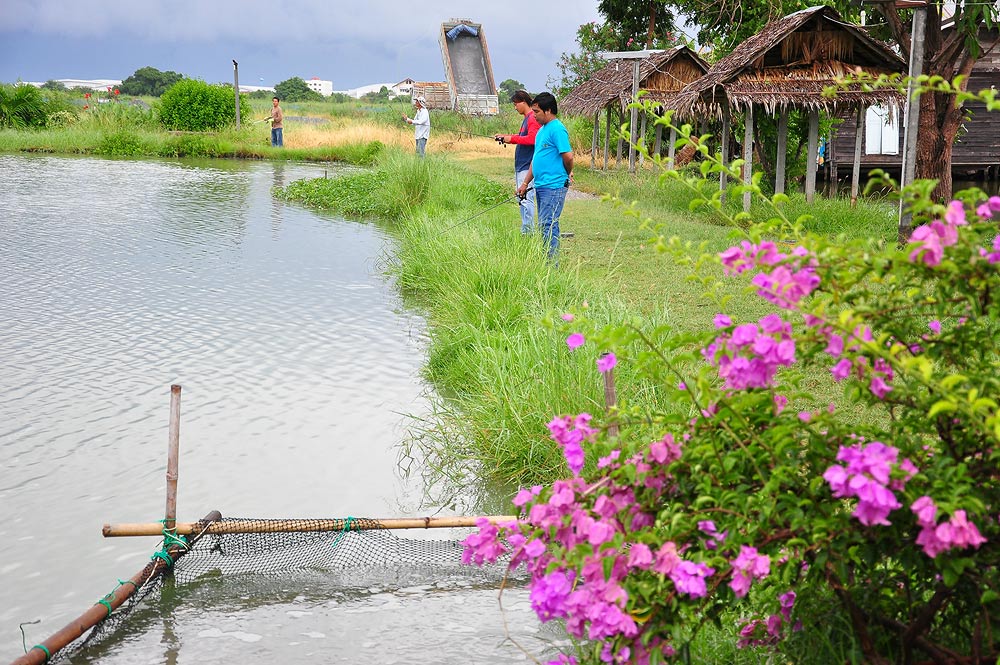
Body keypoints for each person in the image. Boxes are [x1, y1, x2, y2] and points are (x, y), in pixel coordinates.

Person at [516, 91, 573, 259]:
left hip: (554, 186)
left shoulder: (557, 129)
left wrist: (566, 174)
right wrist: (525, 183)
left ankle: (551, 264)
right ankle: (546, 259)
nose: (534, 115)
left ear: (548, 110)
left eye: (537, 112)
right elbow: (536, 158)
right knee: (543, 224)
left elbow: (568, 156)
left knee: (549, 224)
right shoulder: (542, 131)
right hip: (541, 185)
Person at [495, 90, 540, 234]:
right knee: (522, 198)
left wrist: (511, 139)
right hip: (522, 165)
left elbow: (533, 139)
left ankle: (528, 232)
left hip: (528, 165)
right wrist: (505, 137)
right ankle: (527, 229)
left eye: (516, 104)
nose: (515, 107)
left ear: (523, 102)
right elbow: (522, 136)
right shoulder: (526, 118)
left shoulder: (532, 117)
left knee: (525, 198)